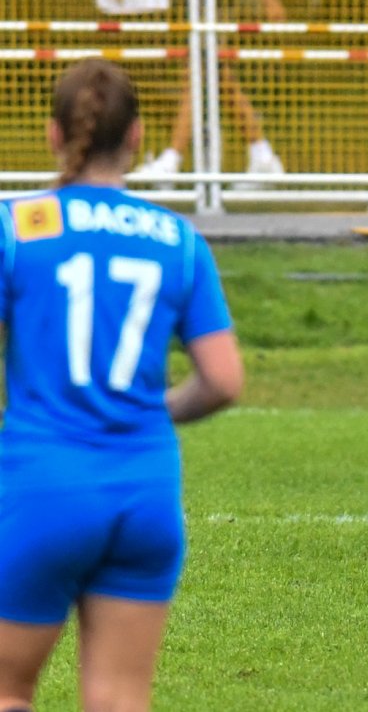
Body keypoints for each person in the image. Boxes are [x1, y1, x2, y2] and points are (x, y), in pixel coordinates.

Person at [0, 59, 243, 711]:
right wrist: (152, 409)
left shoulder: (16, 227)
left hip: (44, 482)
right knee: (118, 698)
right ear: (136, 136)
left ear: (53, 135)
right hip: (146, 490)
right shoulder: (178, 239)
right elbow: (223, 381)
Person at [134, 0, 286, 187]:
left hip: (215, 9)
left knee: (196, 79)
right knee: (222, 82)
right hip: (190, 10)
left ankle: (172, 161)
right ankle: (263, 156)